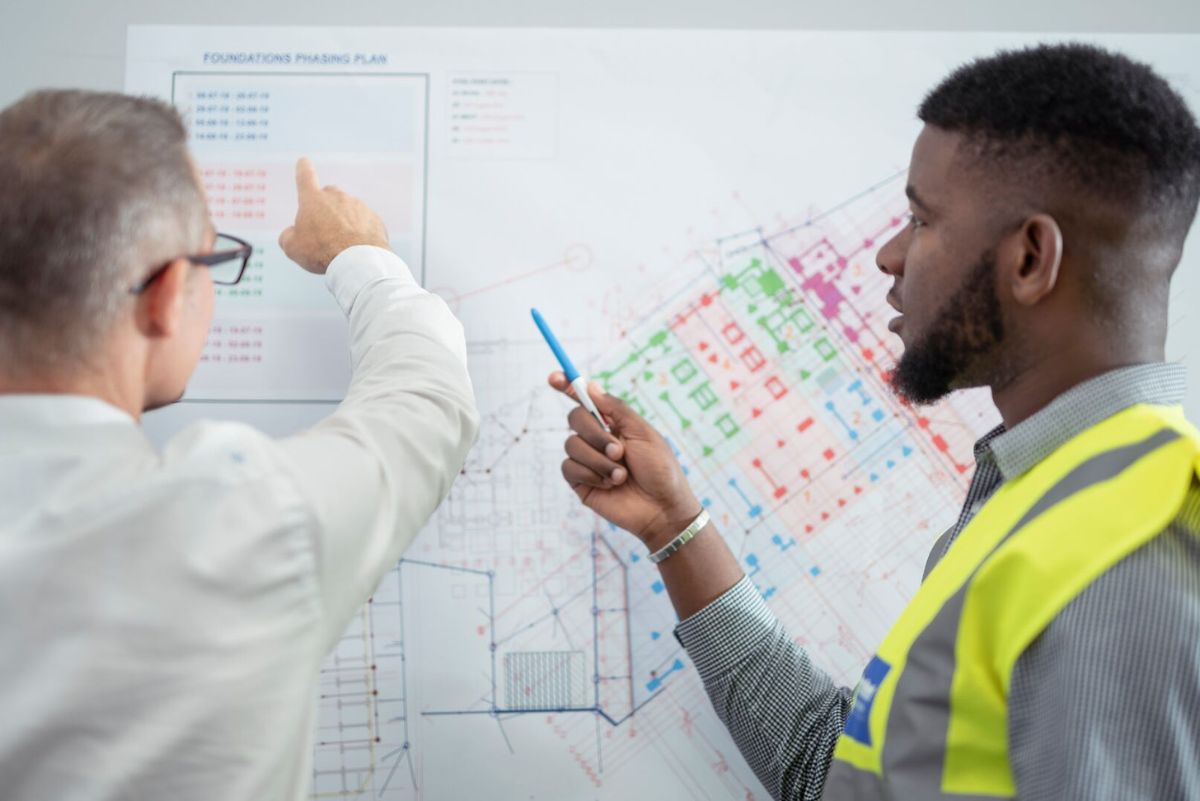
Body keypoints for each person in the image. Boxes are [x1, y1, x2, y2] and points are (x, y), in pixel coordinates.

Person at [550, 43, 1200, 800]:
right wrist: (673, 524)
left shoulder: (1133, 551)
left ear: (1029, 259)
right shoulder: (1041, 496)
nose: (890, 254)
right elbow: (844, 778)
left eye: (921, 219)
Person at [0, 90, 479, 799]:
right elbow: (428, 399)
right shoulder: (235, 523)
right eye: (213, 259)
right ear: (165, 295)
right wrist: (360, 256)